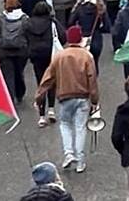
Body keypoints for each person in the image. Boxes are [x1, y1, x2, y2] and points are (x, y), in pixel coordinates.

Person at [36, 24, 100, 174]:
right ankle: (80, 160)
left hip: (64, 96)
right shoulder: (86, 56)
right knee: (80, 127)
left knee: (65, 125)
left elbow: (48, 78)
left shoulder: (59, 56)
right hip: (83, 97)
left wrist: (39, 97)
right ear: (79, 40)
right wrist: (95, 100)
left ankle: (68, 153)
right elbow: (92, 79)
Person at [24, 1, 65, 127]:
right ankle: (51, 110)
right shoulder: (52, 22)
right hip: (50, 54)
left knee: (41, 83)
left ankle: (41, 116)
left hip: (36, 56)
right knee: (52, 81)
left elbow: (24, 37)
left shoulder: (28, 23)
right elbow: (63, 36)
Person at [0, 0, 29, 103]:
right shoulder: (24, 19)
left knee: (8, 75)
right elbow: (28, 34)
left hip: (4, 52)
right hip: (21, 51)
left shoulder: (1, 19)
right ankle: (20, 93)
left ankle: (10, 98)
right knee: (19, 72)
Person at [70, 0, 111, 74]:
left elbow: (70, 22)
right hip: (95, 38)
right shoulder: (100, 7)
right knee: (94, 64)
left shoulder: (79, 6)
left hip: (82, 39)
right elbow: (107, 27)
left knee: (82, 64)